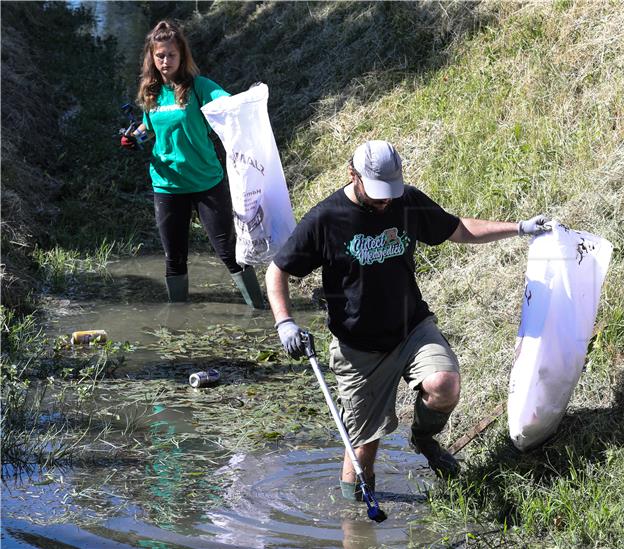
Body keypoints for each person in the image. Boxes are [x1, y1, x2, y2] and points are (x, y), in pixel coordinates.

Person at [266, 140, 551, 500]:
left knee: (444, 384)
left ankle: (423, 437)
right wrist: (284, 323)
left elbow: (458, 228)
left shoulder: (406, 201)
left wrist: (520, 228)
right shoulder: (326, 218)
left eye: (389, 193)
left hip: (410, 328)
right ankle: (356, 520)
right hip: (359, 349)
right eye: (377, 194)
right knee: (361, 454)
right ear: (353, 176)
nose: (385, 201)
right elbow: (277, 271)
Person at [121, 20, 264, 308]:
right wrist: (134, 136)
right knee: (174, 257)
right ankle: (178, 319)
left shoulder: (199, 87)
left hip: (206, 183)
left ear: (182, 55)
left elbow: (228, 106)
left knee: (228, 251)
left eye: (171, 55)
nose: (165, 62)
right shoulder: (151, 91)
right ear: (152, 57)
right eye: (159, 56)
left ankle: (260, 309)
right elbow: (149, 127)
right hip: (167, 186)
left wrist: (251, 99)